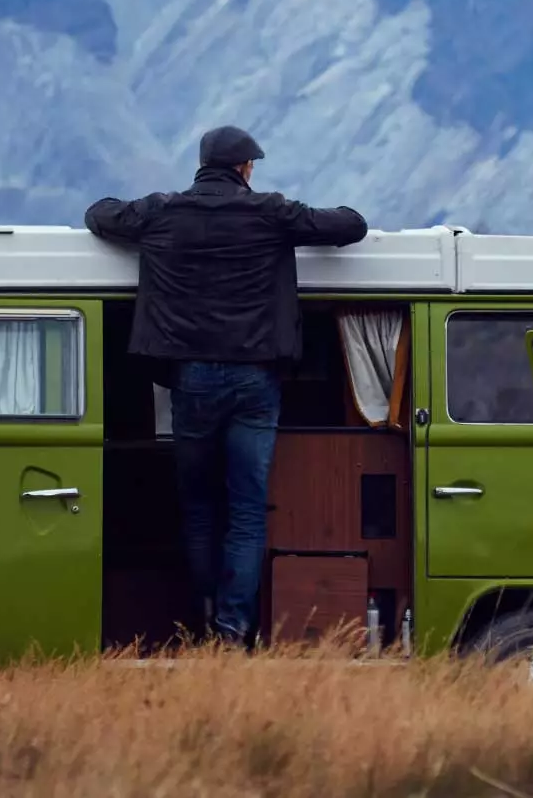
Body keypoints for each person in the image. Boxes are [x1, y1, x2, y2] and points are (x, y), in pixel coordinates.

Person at [85, 126, 368, 645]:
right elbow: (350, 225)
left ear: (202, 166)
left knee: (197, 506)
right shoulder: (271, 213)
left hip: (191, 379)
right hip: (256, 379)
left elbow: (100, 214)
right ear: (246, 169)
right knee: (246, 508)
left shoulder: (161, 212)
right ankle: (234, 630)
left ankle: (201, 617)